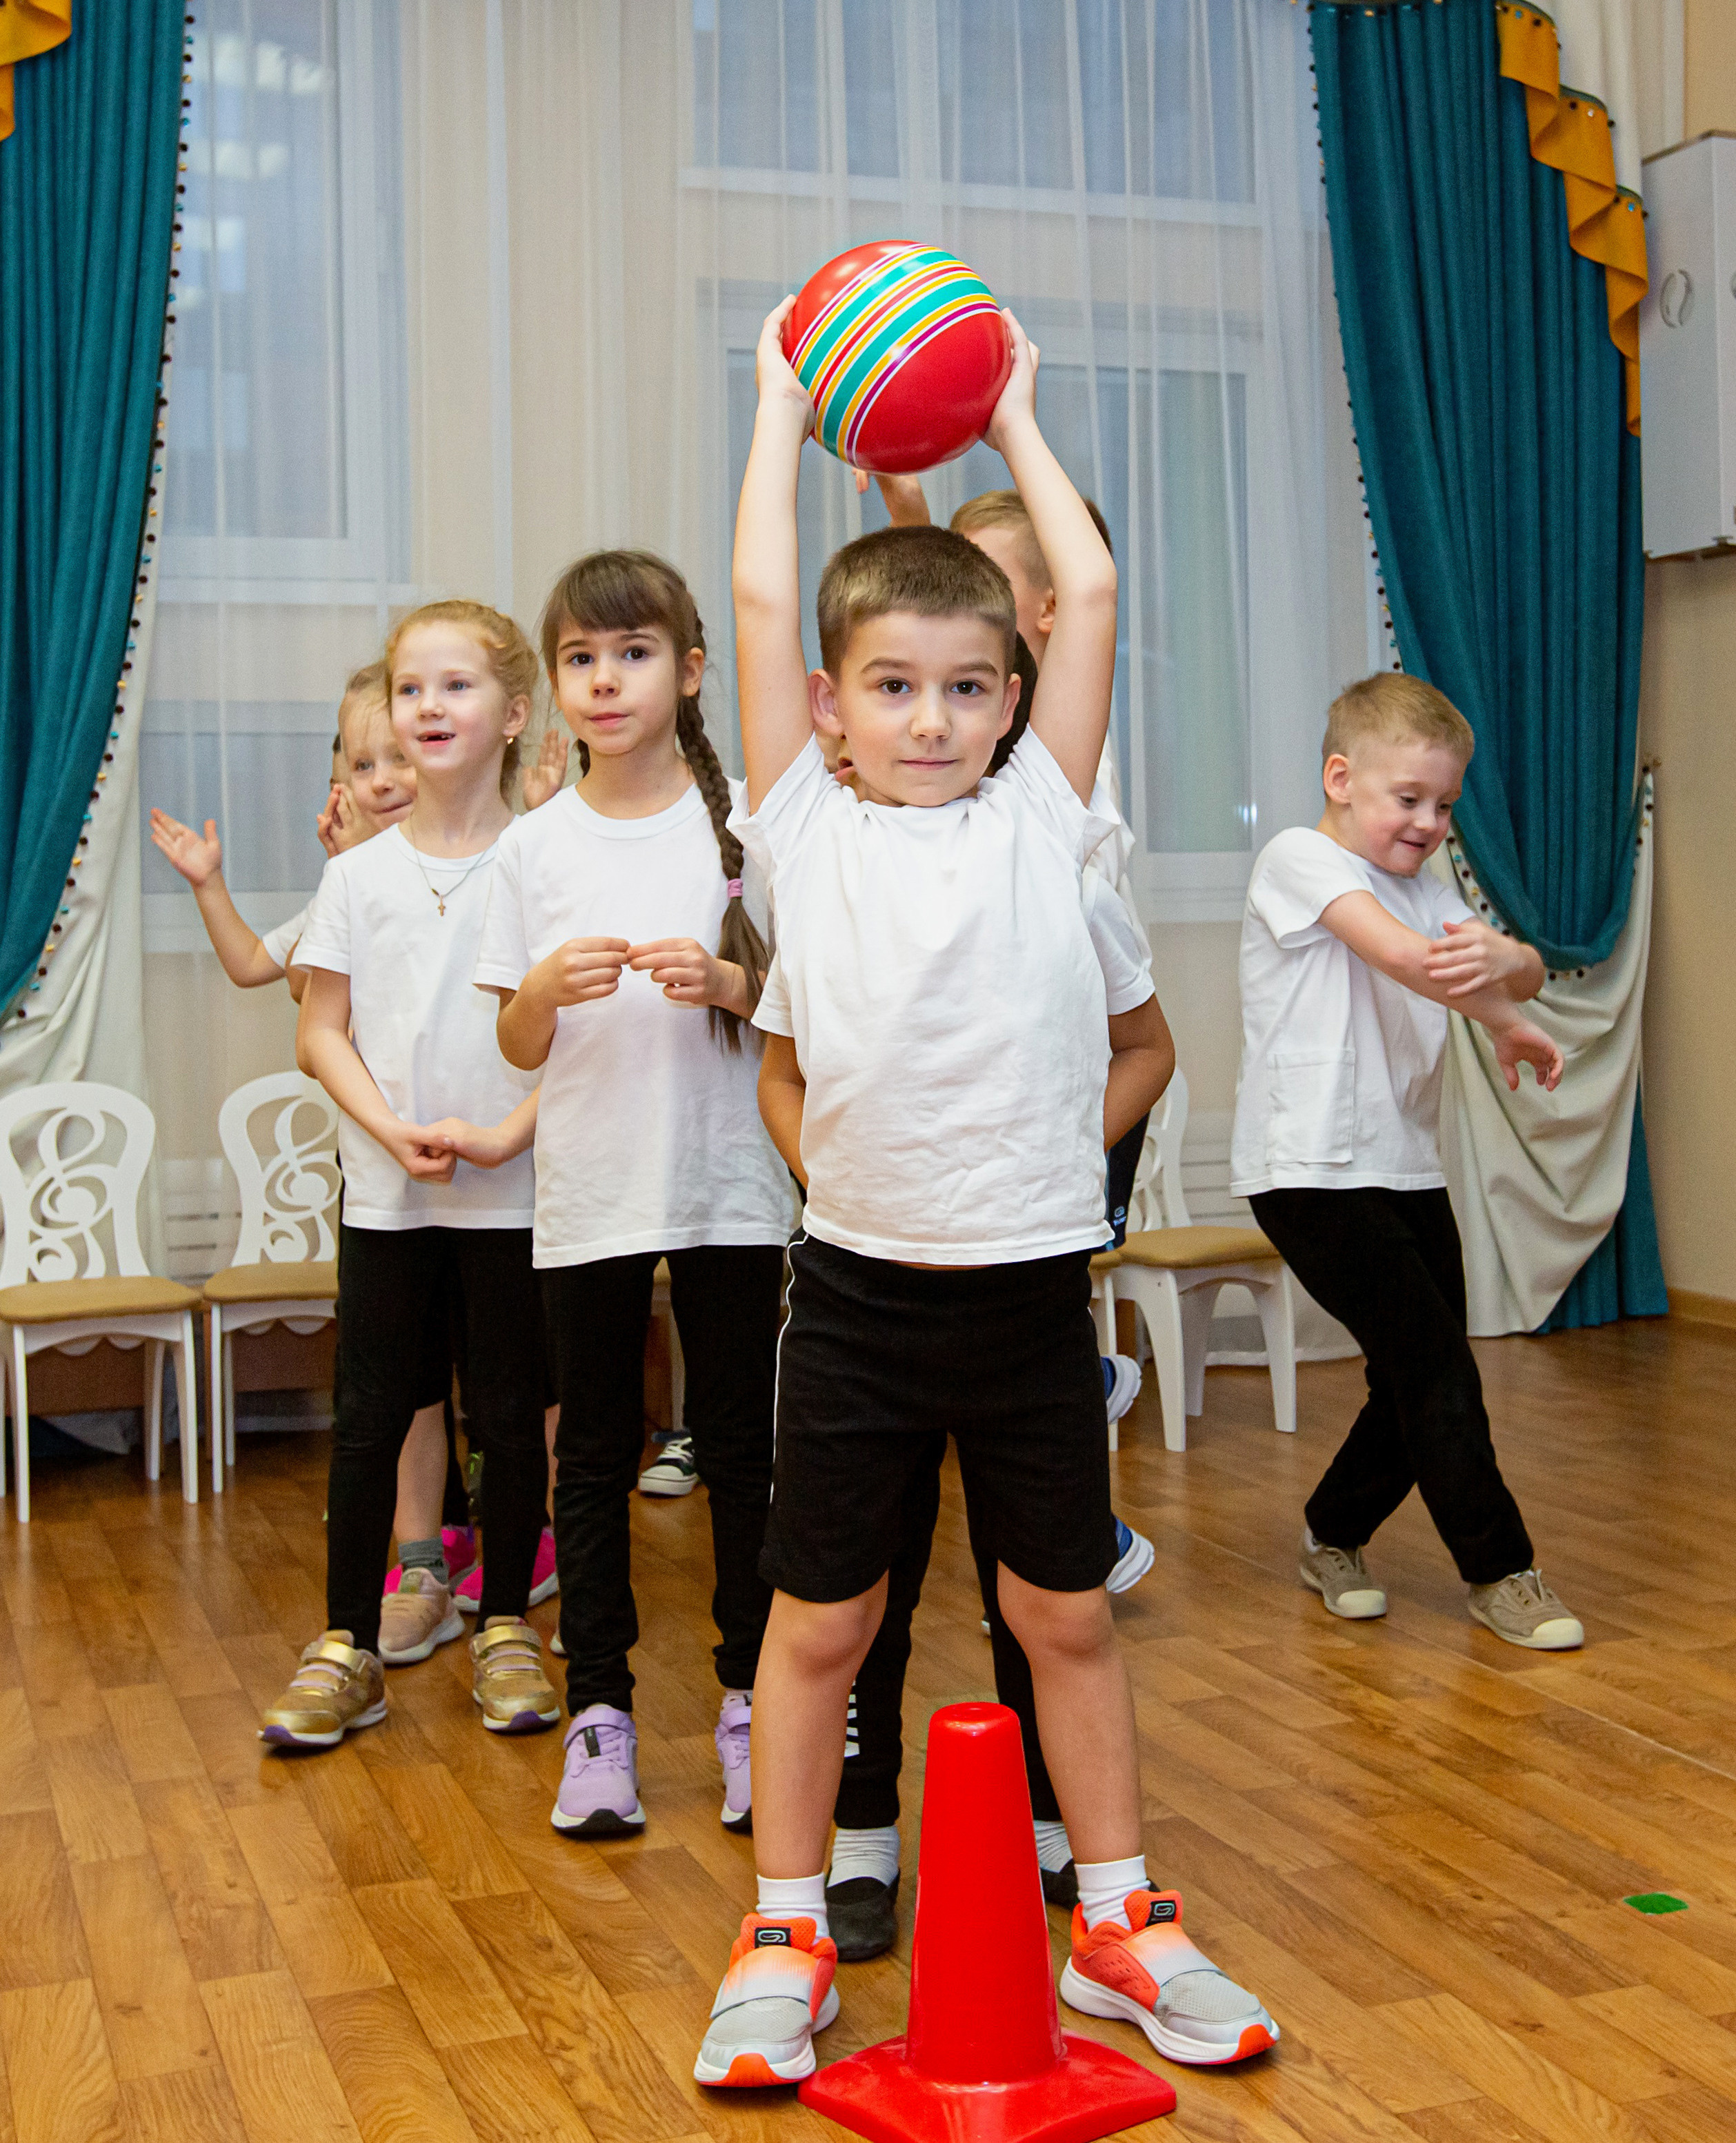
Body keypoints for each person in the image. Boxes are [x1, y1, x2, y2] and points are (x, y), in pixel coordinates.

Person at [694, 299, 1278, 2089]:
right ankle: (784, 1923)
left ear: (1012, 699)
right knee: (823, 1621)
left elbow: (1085, 592)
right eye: (891, 686)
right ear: (825, 711)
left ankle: (1113, 1914)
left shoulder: (1045, 816)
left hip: (1032, 1292)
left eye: (966, 686)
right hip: (859, 1298)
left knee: (1064, 1613)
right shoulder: (801, 824)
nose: (931, 717)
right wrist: (782, 415)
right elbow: (765, 603)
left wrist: (1018, 410)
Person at [481, 550, 792, 1840]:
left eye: (634, 654)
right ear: (556, 683)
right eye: (580, 660)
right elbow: (512, 1043)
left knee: (741, 1456)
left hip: (728, 1189)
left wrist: (731, 988)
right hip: (594, 1193)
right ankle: (599, 1714)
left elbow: (808, 1011)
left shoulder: (750, 830)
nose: (605, 683)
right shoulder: (532, 846)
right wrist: (546, 991)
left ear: (692, 669)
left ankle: (746, 1707)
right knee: (594, 1456)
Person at [1233, 671, 1583, 1652]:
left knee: (1414, 1371)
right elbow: (1415, 962)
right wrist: (1511, 971)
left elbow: (1483, 967)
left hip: (1402, 1164)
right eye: (1408, 799)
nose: (1428, 823)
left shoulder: (1425, 886)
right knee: (1436, 1371)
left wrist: (1509, 1014)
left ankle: (1331, 1533)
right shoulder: (1297, 856)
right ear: (1340, 778)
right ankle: (1502, 1571)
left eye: (1443, 805)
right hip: (1306, 1169)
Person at [259, 598, 557, 1748]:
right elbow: (318, 1031)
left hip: (515, 1192)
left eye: (456, 686)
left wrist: (508, 1135)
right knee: (374, 1413)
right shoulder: (358, 877)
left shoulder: (542, 864)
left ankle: (501, 1629)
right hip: (390, 1196)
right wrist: (388, 1132)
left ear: (513, 715)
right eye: (409, 687)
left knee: (511, 1413)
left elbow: (577, 1040)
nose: (427, 706)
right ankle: (346, 1644)